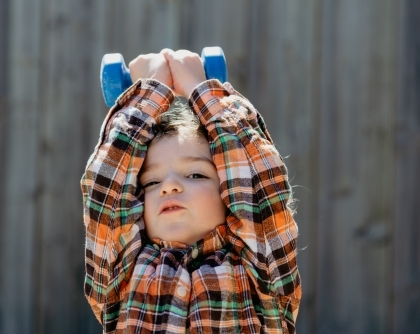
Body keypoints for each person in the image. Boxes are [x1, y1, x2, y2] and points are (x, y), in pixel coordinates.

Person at [81, 49, 301, 333]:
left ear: (229, 188)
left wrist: (202, 91)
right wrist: (146, 97)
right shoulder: (119, 273)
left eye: (195, 174)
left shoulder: (262, 272)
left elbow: (259, 178)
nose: (170, 185)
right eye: (151, 182)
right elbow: (106, 186)